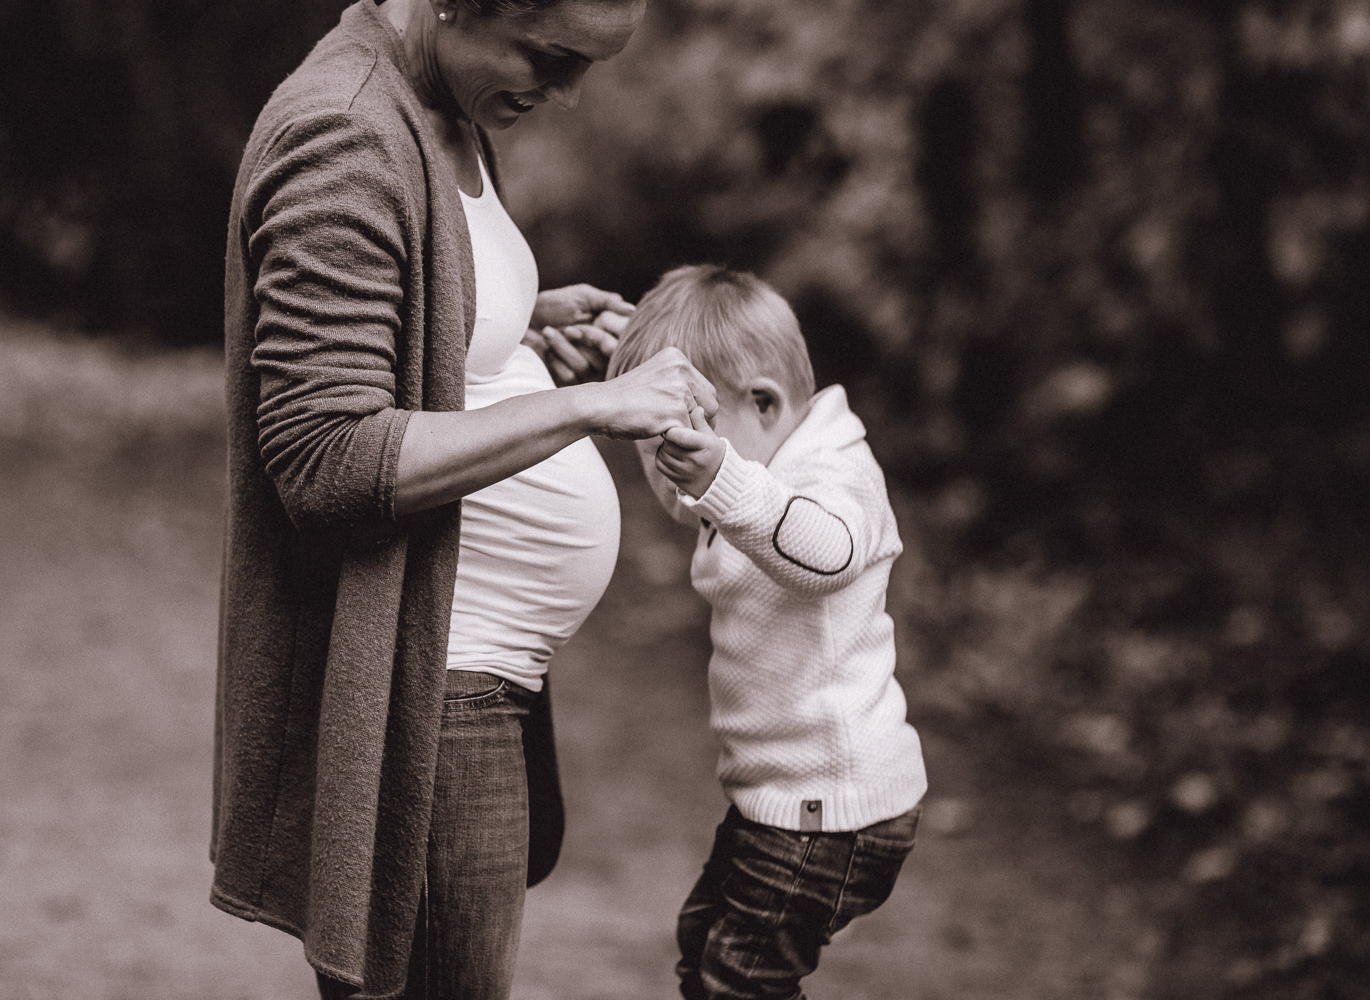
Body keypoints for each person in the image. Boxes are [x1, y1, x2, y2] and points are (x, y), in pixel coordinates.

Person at [210, 1, 716, 998]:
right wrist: (587, 408)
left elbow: (399, 324)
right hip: (427, 687)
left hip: (474, 671)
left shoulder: (441, 101)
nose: (568, 95)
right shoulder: (345, 135)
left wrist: (511, 326)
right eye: (552, 56)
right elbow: (325, 456)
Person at [608, 265, 928, 1000]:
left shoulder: (833, 471)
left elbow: (828, 555)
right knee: (706, 944)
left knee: (742, 980)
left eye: (677, 441)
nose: (666, 472)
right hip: (782, 802)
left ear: (763, 402)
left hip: (831, 807)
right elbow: (715, 503)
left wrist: (720, 475)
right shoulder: (758, 470)